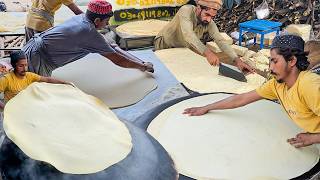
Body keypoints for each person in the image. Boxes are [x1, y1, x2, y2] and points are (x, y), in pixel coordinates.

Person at [183, 35, 320, 148]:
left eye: (275, 61)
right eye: (269, 61)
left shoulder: (309, 86)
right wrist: (206, 107)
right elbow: (241, 99)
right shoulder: (277, 85)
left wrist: (312, 138)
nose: (270, 68)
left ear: (292, 61)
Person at [22, 0, 153, 77]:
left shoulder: (81, 19)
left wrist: (141, 62)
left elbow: (113, 47)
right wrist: (142, 67)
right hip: (36, 61)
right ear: (96, 20)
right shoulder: (89, 33)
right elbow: (118, 60)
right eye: (106, 21)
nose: (107, 25)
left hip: (30, 49)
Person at [154, 0, 254, 73]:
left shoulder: (208, 22)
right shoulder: (186, 10)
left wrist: (237, 60)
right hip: (165, 44)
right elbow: (188, 34)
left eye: (212, 17)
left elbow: (220, 40)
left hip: (183, 47)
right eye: (207, 14)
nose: (209, 19)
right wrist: (208, 53)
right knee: (166, 72)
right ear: (198, 8)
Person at [0, 51, 72, 109]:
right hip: (13, 112)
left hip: (26, 109)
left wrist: (65, 82)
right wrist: (6, 108)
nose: (24, 69)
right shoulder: (6, 79)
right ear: (13, 65)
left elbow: (47, 80)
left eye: (26, 65)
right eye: (21, 66)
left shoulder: (29, 76)